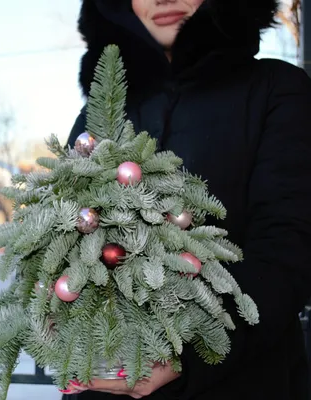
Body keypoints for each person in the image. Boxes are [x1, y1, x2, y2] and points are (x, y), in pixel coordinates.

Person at [62, 0, 311, 399]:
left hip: (241, 384)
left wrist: (190, 353)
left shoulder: (276, 90)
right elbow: (65, 240)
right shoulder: (100, 115)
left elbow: (289, 248)